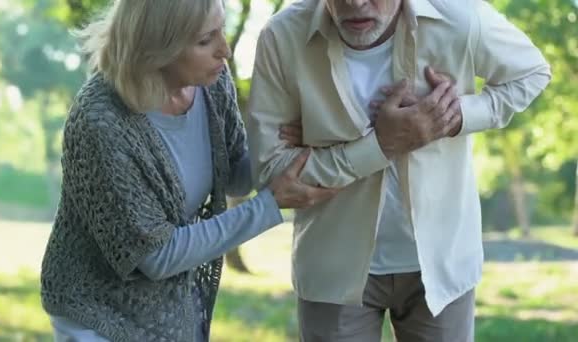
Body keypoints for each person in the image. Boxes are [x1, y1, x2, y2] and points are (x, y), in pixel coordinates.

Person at [247, 0, 551, 341]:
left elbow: (532, 73)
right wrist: (381, 144)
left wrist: (451, 117)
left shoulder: (460, 18)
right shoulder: (282, 36)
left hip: (441, 265)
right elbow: (272, 172)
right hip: (332, 268)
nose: (355, 3)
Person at [39, 1, 339, 341]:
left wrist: (286, 143)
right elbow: (157, 255)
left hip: (169, 308)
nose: (224, 50)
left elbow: (234, 173)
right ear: (157, 47)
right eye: (205, 40)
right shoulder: (101, 122)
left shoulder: (210, 82)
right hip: (95, 310)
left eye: (221, 31)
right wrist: (269, 205)